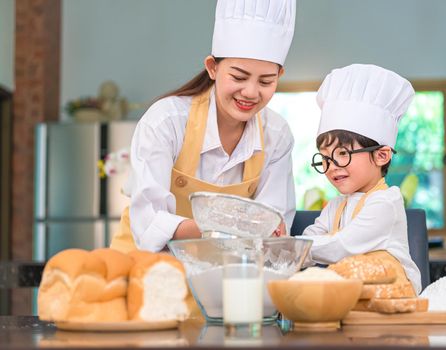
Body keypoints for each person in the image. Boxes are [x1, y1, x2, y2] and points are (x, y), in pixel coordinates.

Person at [110, 0, 296, 253]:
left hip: (221, 272)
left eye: (266, 81)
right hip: (145, 266)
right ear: (212, 68)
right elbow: (148, 220)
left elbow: (274, 226)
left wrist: (264, 229)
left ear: (279, 77)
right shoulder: (167, 120)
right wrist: (228, 227)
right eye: (239, 77)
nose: (251, 92)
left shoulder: (277, 134)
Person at [302, 64, 422, 294]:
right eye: (325, 159)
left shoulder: (385, 202)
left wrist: (289, 248)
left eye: (343, 155)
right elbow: (311, 238)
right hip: (352, 296)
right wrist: (282, 253)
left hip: (393, 295)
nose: (331, 167)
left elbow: (343, 246)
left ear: (381, 155)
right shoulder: (336, 205)